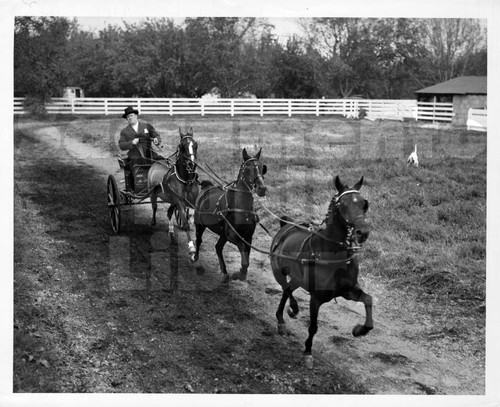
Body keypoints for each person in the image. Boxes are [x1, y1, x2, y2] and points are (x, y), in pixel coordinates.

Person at [119, 106, 163, 191]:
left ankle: (163, 185)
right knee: (137, 168)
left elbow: (156, 135)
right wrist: (131, 142)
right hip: (135, 156)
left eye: (131, 115)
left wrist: (157, 139)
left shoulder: (146, 126)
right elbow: (122, 145)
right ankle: (140, 188)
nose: (129, 118)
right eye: (127, 117)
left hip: (150, 154)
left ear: (136, 116)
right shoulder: (124, 131)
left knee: (164, 163)